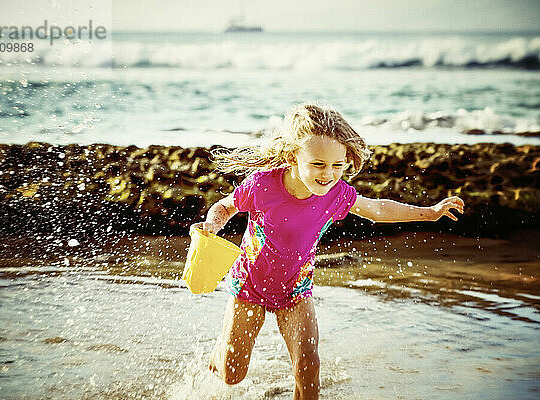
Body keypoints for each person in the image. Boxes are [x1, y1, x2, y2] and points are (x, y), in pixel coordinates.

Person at [189, 103, 464, 400]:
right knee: (233, 375)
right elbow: (226, 206)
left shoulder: (338, 193)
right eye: (318, 164)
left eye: (338, 165)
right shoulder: (263, 186)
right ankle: (219, 353)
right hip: (249, 284)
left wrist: (430, 212)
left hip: (296, 287)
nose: (328, 175)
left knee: (309, 365)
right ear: (294, 157)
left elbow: (378, 209)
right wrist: (212, 225)